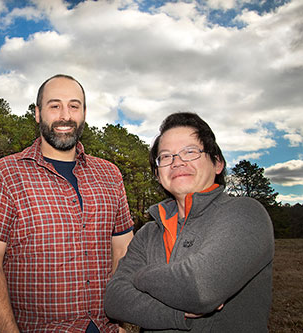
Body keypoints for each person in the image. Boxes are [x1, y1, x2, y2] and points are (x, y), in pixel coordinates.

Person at [0, 74, 134, 332]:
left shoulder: (110, 174)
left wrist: (119, 320)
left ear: (83, 113)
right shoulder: (4, 174)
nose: (65, 115)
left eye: (74, 106)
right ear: (38, 113)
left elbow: (123, 252)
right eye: (54, 105)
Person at [104, 112, 274, 332]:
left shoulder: (246, 214)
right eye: (166, 156)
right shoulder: (148, 232)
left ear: (217, 163)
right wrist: (175, 313)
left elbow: (200, 289)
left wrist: (139, 277)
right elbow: (115, 299)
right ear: (157, 174)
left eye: (190, 152)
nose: (177, 162)